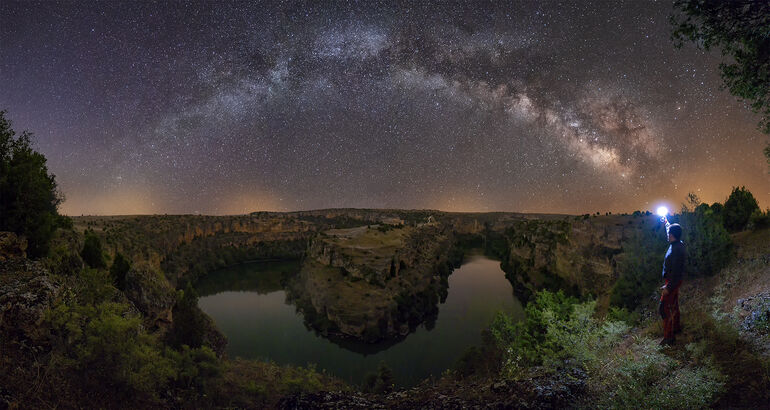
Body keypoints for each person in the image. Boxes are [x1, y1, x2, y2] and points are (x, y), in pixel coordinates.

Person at [659, 220, 685, 346]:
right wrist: (666, 221)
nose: (667, 235)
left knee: (663, 308)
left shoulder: (677, 250)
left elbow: (676, 272)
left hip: (672, 282)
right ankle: (676, 328)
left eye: (668, 233)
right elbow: (671, 229)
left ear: (672, 235)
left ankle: (669, 337)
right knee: (674, 306)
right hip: (673, 281)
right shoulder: (677, 243)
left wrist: (668, 287)